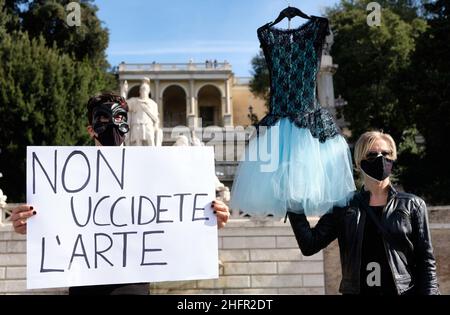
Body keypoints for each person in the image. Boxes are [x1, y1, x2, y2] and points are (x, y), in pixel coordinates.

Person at [10, 92, 230, 295]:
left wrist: (208, 219)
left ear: (127, 125)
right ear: (91, 128)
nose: (112, 125)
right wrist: (28, 222)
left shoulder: (152, 172)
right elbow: (54, 222)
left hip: (133, 288)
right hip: (85, 286)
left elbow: (174, 215)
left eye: (119, 118)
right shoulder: (65, 176)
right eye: (103, 119)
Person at [287, 131, 440, 295]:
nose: (381, 159)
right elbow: (310, 244)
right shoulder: (345, 206)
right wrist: (292, 202)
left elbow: (426, 261)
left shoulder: (412, 205)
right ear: (359, 162)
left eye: (386, 154)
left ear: (393, 158)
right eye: (372, 155)